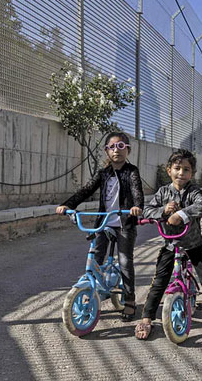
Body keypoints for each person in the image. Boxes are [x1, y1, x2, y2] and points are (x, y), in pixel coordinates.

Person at [135, 149, 202, 340]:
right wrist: (163, 211)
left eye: (186, 169)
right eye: (177, 168)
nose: (181, 173)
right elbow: (147, 211)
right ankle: (147, 318)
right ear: (169, 170)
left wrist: (180, 214)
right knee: (159, 281)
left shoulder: (194, 191)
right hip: (170, 245)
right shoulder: (163, 192)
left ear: (192, 173)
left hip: (193, 244)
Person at [56, 131, 143, 322]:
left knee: (125, 262)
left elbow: (137, 191)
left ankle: (129, 301)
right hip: (104, 222)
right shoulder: (103, 173)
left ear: (127, 149)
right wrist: (68, 205)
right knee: (96, 255)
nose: (116, 151)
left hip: (124, 222)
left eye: (121, 146)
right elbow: (86, 190)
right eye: (111, 147)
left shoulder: (132, 171)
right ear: (106, 151)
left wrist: (137, 207)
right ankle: (95, 290)